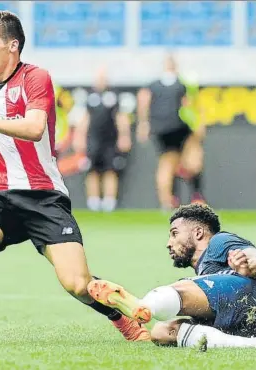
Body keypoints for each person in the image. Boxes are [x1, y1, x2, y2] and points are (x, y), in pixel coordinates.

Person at [0, 10, 148, 348]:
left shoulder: (36, 78)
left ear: (12, 46)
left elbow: (35, 128)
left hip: (43, 196)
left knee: (77, 283)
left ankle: (121, 318)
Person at [87, 204, 256, 348]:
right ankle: (249, 344)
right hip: (243, 318)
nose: (169, 243)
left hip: (249, 297)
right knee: (162, 332)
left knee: (180, 289)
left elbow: (250, 253)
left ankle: (142, 306)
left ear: (198, 233)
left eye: (174, 233)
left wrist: (249, 263)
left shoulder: (219, 241)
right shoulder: (205, 271)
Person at [136, 55, 205, 209]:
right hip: (179, 127)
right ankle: (194, 196)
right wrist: (199, 125)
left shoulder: (153, 85)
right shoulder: (182, 84)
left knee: (167, 163)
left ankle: (167, 200)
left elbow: (143, 99)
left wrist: (143, 124)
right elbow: (190, 104)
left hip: (161, 129)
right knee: (189, 160)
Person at [73, 67, 132, 212]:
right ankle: (93, 202)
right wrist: (79, 137)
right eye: (98, 78)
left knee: (110, 170)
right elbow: (84, 119)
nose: (101, 81)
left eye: (103, 78)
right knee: (92, 170)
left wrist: (124, 136)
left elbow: (121, 117)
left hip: (110, 141)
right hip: (93, 140)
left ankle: (109, 201)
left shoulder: (114, 96)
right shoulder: (89, 96)